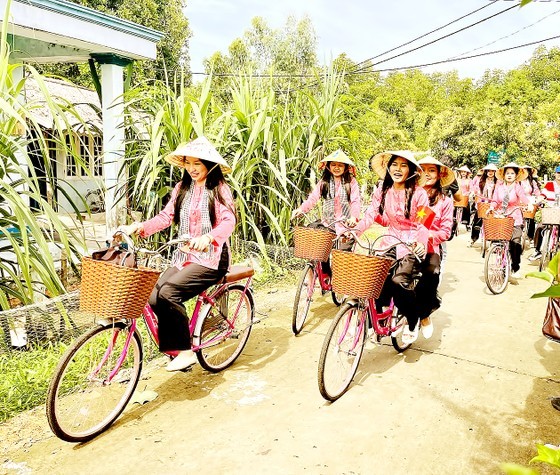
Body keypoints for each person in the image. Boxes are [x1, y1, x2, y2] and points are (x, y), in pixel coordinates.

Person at [120, 136, 236, 372]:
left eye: (198, 164)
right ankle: (174, 346)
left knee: (169, 293)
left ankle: (184, 352)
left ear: (209, 166)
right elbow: (166, 217)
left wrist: (209, 237)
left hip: (212, 259)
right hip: (185, 256)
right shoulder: (182, 188)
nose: (192, 169)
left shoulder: (219, 189)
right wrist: (140, 227)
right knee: (154, 295)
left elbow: (229, 221)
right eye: (188, 163)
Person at [353, 150, 429, 345]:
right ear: (388, 167)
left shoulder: (420, 194)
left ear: (411, 170)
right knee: (376, 278)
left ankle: (413, 320)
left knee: (398, 282)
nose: (398, 169)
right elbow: (370, 214)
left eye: (404, 165)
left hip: (412, 244)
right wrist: (355, 231)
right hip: (389, 240)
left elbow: (423, 223)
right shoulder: (382, 189)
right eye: (395, 164)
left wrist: (421, 242)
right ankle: (375, 322)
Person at [291, 149, 361, 277]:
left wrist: (353, 217)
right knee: (317, 245)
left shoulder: (351, 182)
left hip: (345, 223)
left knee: (343, 254)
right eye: (333, 164)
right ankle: (322, 274)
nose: (336, 168)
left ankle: (341, 280)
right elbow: (313, 198)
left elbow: (355, 201)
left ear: (345, 167)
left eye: (340, 165)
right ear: (328, 166)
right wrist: (301, 209)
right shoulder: (324, 182)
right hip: (328, 222)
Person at [416, 156, 454, 339]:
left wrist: (428, 235)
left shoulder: (445, 201)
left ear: (439, 175)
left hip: (430, 248)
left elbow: (446, 231)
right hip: (405, 245)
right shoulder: (410, 194)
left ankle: (424, 315)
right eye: (423, 170)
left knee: (431, 274)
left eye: (431, 170)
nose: (427, 174)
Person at [489, 162, 528, 279]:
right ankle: (499, 263)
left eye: (512, 173)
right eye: (507, 173)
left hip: (515, 217)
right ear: (504, 175)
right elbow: (495, 200)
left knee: (515, 242)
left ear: (516, 175)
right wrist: (491, 207)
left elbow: (524, 198)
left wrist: (528, 205)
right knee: (497, 240)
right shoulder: (499, 187)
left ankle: (516, 267)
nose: (510, 175)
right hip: (501, 216)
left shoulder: (517, 187)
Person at [529, 165, 560, 262]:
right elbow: (542, 195)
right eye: (558, 173)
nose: (559, 175)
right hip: (551, 212)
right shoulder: (550, 185)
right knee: (540, 228)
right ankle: (538, 250)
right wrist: (538, 201)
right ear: (555, 174)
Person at [470, 164, 499, 247]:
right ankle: (473, 238)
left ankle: (494, 241)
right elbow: (476, 190)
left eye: (492, 171)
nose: (490, 172)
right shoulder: (481, 181)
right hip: (482, 202)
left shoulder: (498, 182)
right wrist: (473, 193)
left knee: (494, 222)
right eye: (488, 171)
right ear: (486, 172)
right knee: (477, 221)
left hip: (493, 203)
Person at [520, 164, 541, 243]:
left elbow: (537, 192)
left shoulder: (532, 182)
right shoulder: (517, 181)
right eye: (523, 171)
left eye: (527, 171)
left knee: (531, 218)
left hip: (530, 201)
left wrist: (539, 199)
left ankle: (530, 236)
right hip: (520, 201)